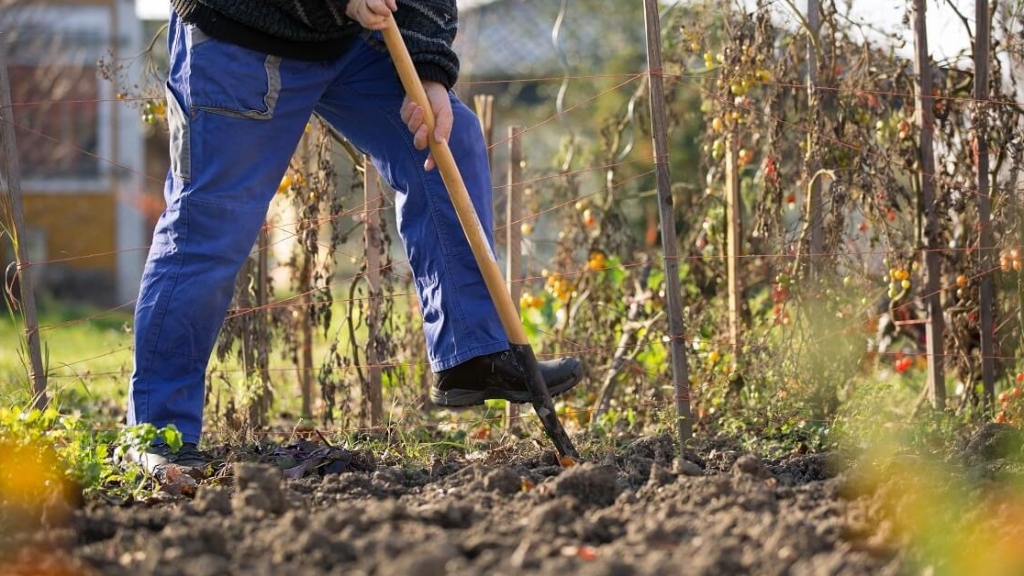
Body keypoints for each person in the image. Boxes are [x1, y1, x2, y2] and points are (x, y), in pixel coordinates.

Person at [125, 0, 582, 472]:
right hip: (242, 32)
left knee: (449, 136)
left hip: (347, 39)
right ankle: (159, 435)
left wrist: (428, 67)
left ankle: (472, 351)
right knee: (208, 225)